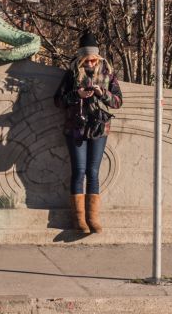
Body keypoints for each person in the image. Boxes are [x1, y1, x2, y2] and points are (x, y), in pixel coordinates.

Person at [55, 32, 122, 233]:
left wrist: (103, 94)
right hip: (76, 128)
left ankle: (93, 218)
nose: (91, 63)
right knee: (79, 171)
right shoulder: (72, 73)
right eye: (88, 59)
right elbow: (58, 100)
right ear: (81, 58)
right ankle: (79, 220)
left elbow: (118, 101)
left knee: (93, 172)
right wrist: (77, 95)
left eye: (94, 59)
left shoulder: (107, 72)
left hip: (99, 128)